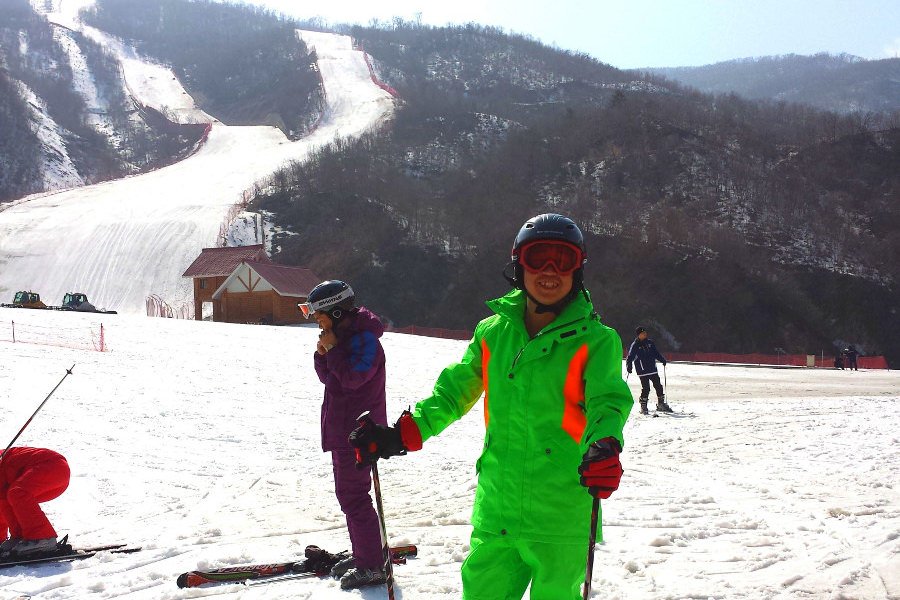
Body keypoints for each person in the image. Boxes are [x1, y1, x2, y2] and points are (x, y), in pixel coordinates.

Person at [348, 214, 633, 600]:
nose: (550, 272)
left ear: (578, 268)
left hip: (563, 512)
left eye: (562, 260)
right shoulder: (492, 334)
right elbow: (452, 394)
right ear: (518, 264)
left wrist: (604, 445)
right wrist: (402, 434)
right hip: (498, 508)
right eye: (538, 258)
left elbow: (608, 403)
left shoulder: (598, 341)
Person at [298, 280, 389, 590]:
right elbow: (330, 378)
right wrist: (323, 353)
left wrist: (334, 350)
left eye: (319, 314)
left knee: (353, 497)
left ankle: (371, 565)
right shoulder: (346, 337)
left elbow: (352, 379)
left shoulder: (366, 341)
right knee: (350, 497)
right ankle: (366, 553)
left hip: (359, 433)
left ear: (337, 313)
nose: (316, 321)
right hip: (343, 431)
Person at [0, 446, 70, 558]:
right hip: (55, 470)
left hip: (53, 466)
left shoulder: (2, 461)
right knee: (11, 496)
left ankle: (43, 539)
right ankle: (22, 537)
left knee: (18, 492)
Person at [626, 327, 672, 414]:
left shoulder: (650, 343)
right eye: (643, 333)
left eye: (645, 333)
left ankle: (661, 404)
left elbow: (656, 353)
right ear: (638, 335)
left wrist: (662, 359)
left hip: (652, 369)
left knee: (658, 385)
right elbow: (630, 356)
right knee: (646, 388)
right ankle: (643, 406)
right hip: (642, 370)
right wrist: (629, 366)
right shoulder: (635, 345)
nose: (645, 334)